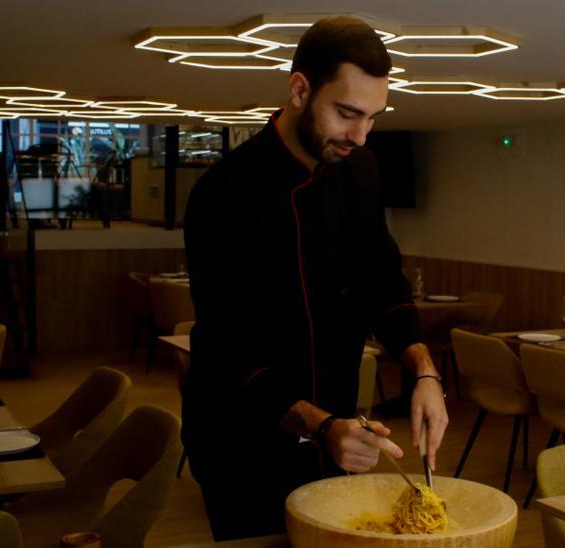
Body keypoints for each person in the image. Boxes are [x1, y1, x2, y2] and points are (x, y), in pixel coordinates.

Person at [182, 15, 450, 541]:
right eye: (348, 113)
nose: (361, 134)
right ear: (300, 89)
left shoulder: (362, 170)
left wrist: (424, 371)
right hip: (241, 438)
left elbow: (383, 279)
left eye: (373, 116)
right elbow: (226, 351)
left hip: (339, 427)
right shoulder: (224, 192)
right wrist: (320, 425)